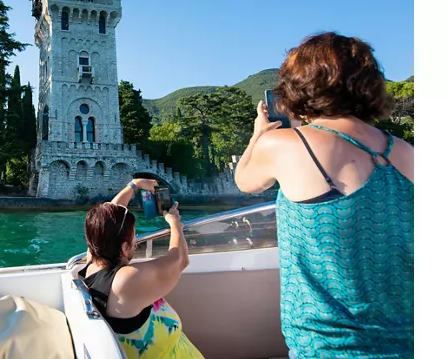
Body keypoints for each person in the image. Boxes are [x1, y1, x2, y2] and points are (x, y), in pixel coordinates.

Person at [233, 32, 414, 358]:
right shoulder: (407, 153)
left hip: (327, 347)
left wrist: (259, 135)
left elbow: (246, 181)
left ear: (299, 85)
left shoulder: (288, 145)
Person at [78, 178, 203, 359]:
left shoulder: (93, 261)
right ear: (123, 247)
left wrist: (135, 185)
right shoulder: (125, 281)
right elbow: (179, 260)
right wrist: (175, 224)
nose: (136, 241)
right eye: (134, 236)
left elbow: (109, 217)